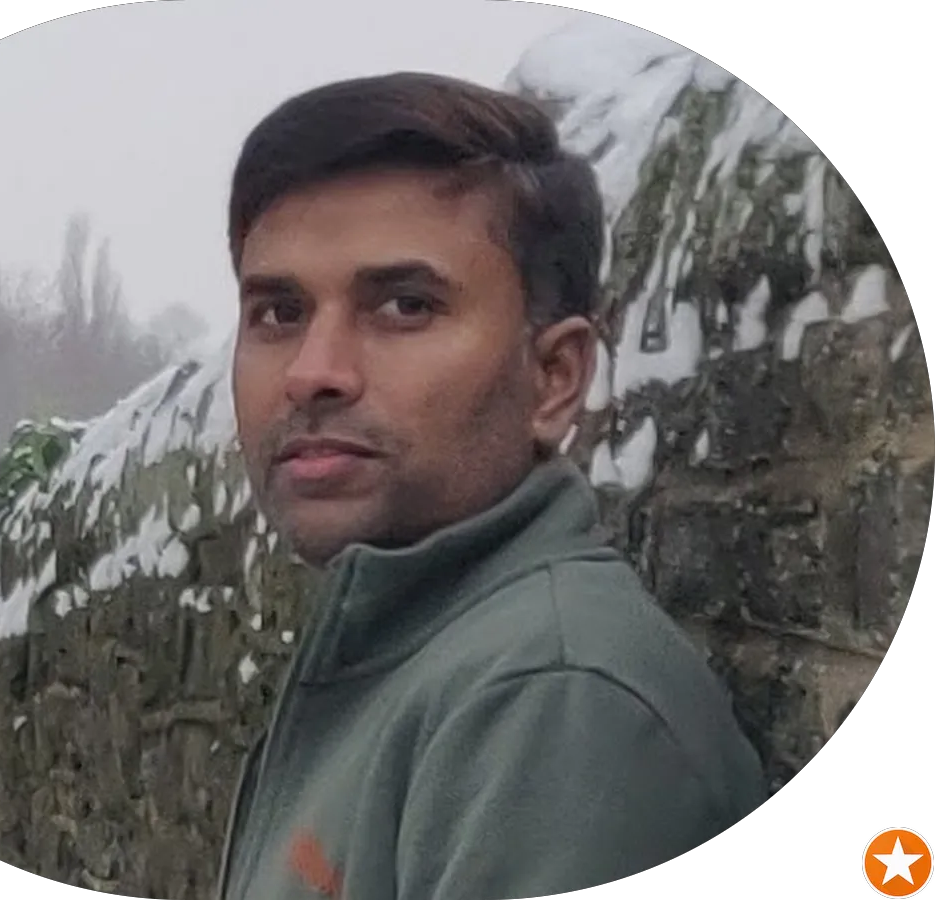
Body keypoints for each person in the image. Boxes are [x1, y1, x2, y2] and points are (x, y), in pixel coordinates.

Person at [216, 71, 767, 900]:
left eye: (405, 306)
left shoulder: (553, 704)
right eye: (278, 313)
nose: (312, 372)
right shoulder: (407, 660)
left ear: (554, 378)